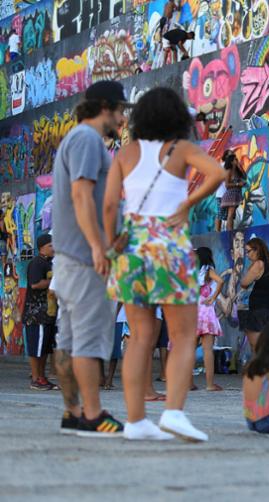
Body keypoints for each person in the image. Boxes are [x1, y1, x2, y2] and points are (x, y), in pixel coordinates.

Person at [103, 87, 224, 441]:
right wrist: (187, 203)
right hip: (169, 246)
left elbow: (110, 205)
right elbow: (217, 173)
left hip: (133, 245)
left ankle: (136, 421)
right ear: (177, 118)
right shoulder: (181, 149)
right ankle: (173, 412)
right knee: (184, 335)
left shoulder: (126, 154)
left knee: (140, 335)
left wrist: (112, 246)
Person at [52, 80, 129, 437]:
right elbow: (82, 196)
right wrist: (99, 247)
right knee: (87, 339)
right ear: (106, 107)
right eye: (120, 109)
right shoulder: (86, 140)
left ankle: (73, 412)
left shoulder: (74, 138)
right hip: (84, 260)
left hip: (69, 258)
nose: (123, 116)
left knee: (67, 341)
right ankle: (94, 415)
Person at [23, 234, 57, 391]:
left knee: (44, 348)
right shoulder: (37, 264)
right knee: (36, 347)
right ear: (42, 247)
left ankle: (42, 378)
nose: (53, 248)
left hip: (48, 313)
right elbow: (35, 284)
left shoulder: (50, 263)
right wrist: (54, 282)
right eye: (51, 245)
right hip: (36, 314)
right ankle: (36, 379)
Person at [239, 237, 269, 350]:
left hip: (257, 310)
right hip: (267, 307)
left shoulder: (259, 264)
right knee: (264, 343)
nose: (247, 255)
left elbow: (244, 283)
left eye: (249, 251)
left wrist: (249, 269)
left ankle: (261, 367)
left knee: (256, 346)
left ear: (257, 250)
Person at [196, 247, 225, 391]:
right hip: (206, 313)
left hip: (192, 312)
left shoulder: (192, 272)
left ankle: (187, 383)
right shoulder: (208, 270)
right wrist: (213, 297)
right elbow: (220, 281)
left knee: (188, 349)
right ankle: (209, 384)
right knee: (208, 350)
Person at [104, 304, 127, 391]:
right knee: (113, 348)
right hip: (109, 317)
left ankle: (109, 380)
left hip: (117, 318)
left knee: (115, 348)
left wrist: (115, 314)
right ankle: (105, 379)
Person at [220, 150, 245, 231]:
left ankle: (230, 230)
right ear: (231, 162)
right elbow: (227, 185)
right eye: (235, 160)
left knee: (232, 214)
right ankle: (229, 232)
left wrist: (240, 167)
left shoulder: (237, 171)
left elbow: (245, 176)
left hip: (236, 194)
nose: (236, 161)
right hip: (231, 195)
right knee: (230, 214)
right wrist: (238, 184)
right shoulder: (228, 171)